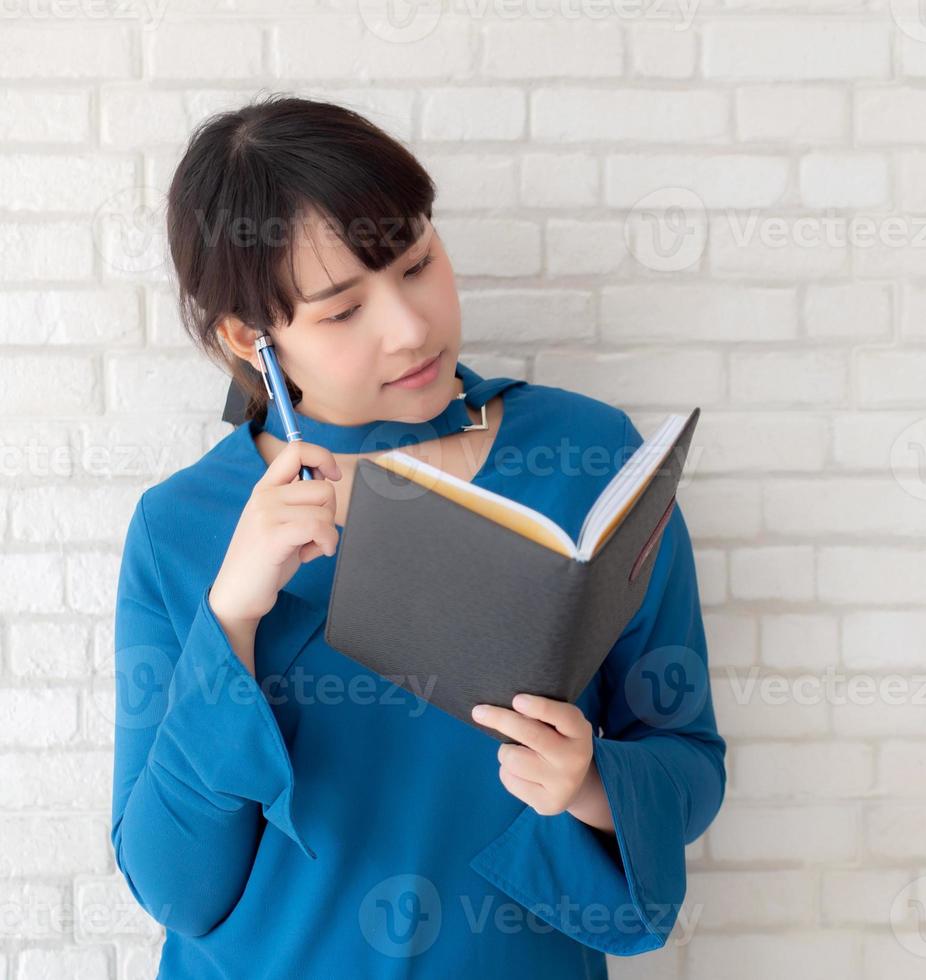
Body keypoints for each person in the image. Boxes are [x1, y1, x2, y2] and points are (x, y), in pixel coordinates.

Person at [110, 93, 725, 978]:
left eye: (416, 263)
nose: (410, 328)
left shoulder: (586, 459)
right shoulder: (182, 529)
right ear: (253, 340)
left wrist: (591, 783)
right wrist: (231, 620)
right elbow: (173, 888)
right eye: (340, 310)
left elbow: (688, 761)